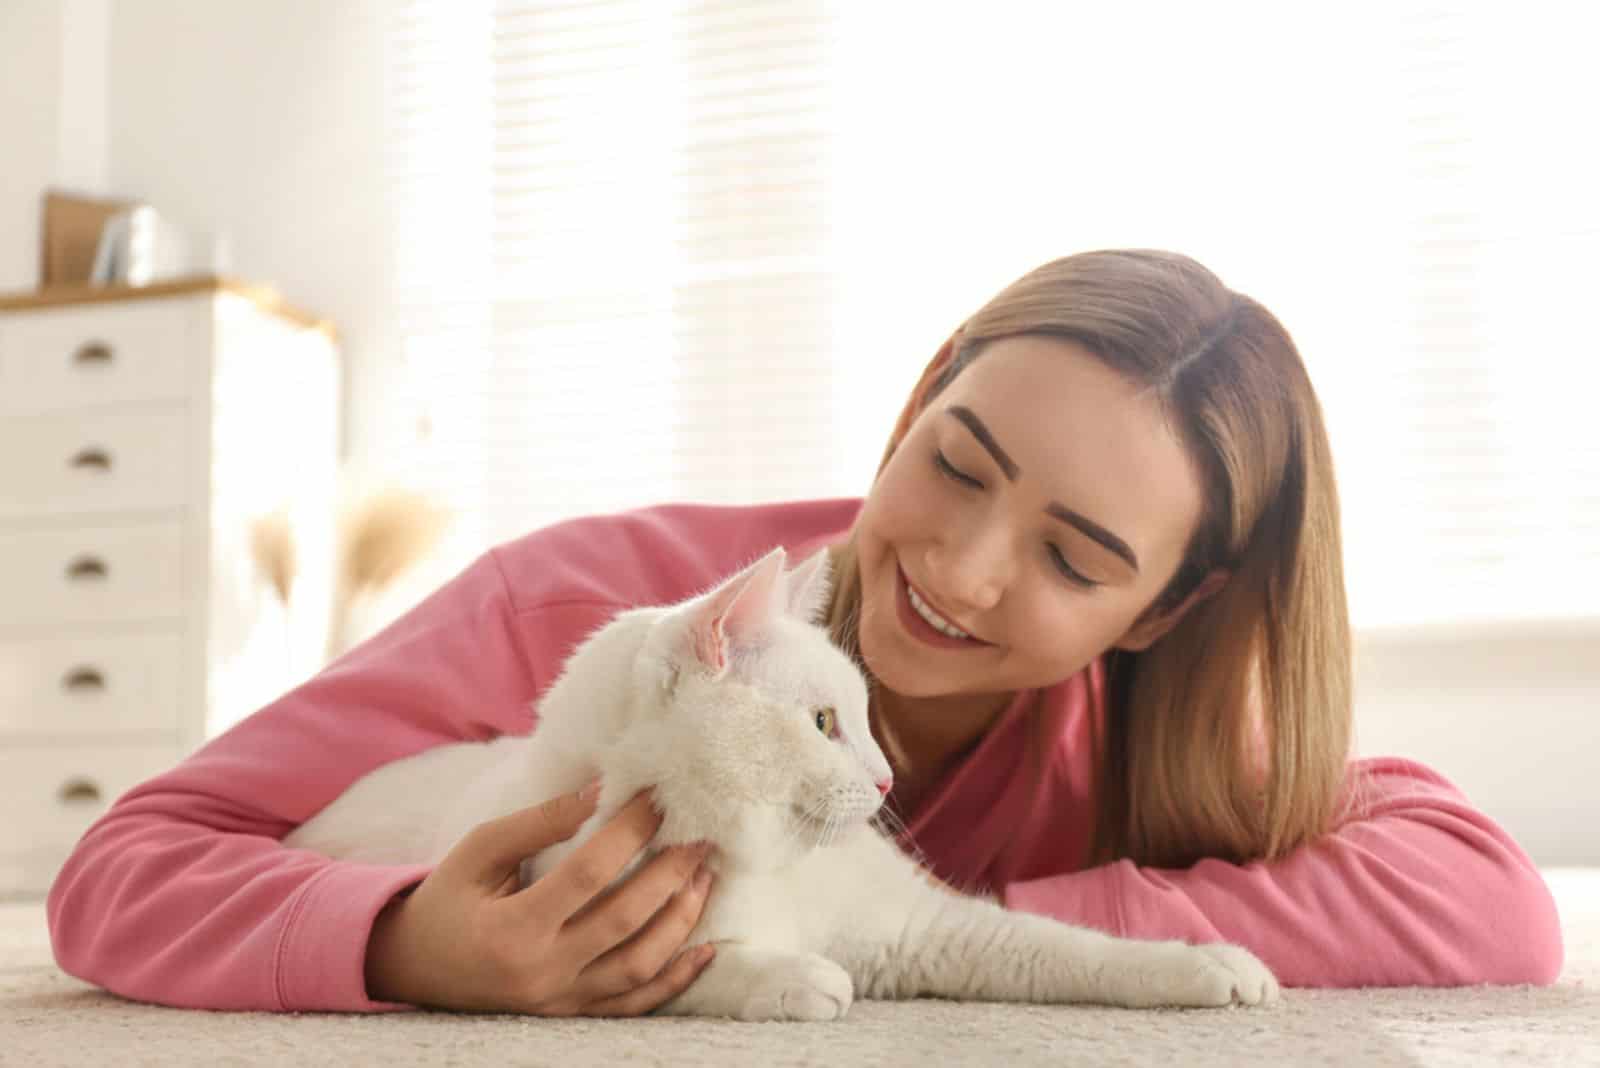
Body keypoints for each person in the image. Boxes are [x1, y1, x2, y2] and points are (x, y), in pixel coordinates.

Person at [47, 249, 1563, 1015]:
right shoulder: (588, 611)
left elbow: (1492, 906)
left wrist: (996, 941)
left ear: (1165, 612)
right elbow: (126, 865)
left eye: (1073, 558)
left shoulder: (1134, 724)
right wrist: (406, 943)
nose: (961, 572)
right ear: (915, 406)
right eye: (956, 464)